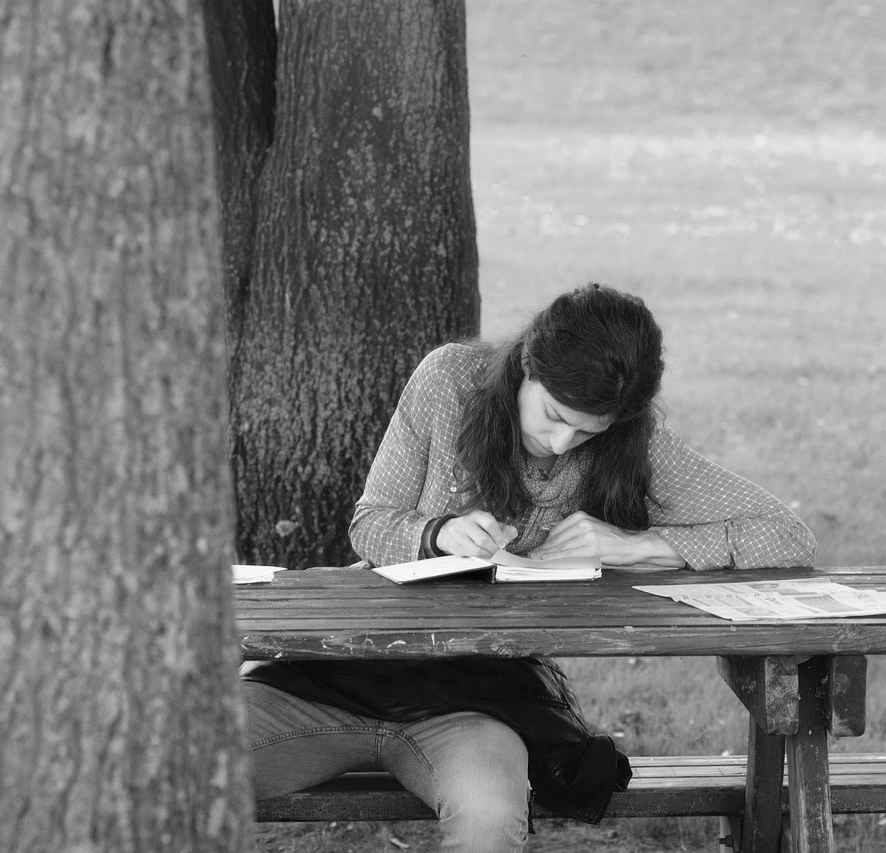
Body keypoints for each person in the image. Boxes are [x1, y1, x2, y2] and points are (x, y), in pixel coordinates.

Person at [241, 284, 816, 853]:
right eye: (553, 414)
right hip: (336, 675)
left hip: (475, 701)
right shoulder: (449, 381)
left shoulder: (635, 446)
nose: (563, 442)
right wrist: (435, 533)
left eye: (589, 430)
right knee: (166, 765)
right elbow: (370, 523)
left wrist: (635, 546)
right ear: (524, 367)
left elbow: (786, 534)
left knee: (489, 819)